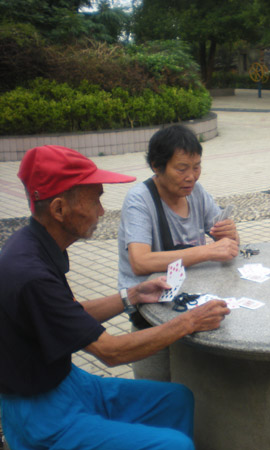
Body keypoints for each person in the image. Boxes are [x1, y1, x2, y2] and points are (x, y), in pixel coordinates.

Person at [0, 145, 231, 450]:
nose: (101, 211)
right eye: (95, 199)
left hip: (69, 382)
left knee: (176, 399)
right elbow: (111, 352)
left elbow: (69, 313)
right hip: (39, 412)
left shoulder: (35, 244)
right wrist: (190, 322)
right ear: (59, 209)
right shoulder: (30, 273)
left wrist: (132, 294)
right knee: (174, 445)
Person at [118, 124, 239, 380]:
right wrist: (207, 251)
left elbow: (226, 243)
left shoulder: (196, 193)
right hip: (150, 313)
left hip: (191, 305)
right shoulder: (140, 200)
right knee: (155, 388)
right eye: (182, 168)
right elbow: (140, 261)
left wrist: (230, 235)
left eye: (196, 167)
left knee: (197, 384)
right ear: (156, 166)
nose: (191, 177)